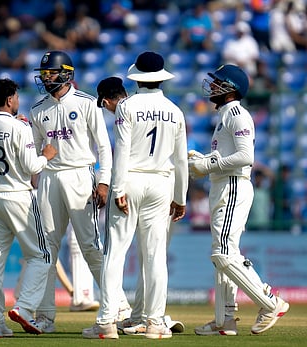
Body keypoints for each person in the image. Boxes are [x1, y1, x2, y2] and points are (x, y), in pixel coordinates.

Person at [83, 51, 188, 339]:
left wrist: (118, 189)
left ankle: (106, 322)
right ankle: (154, 323)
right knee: (155, 257)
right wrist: (181, 197)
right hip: (161, 183)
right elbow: (180, 160)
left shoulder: (127, 108)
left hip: (131, 181)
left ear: (137, 76)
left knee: (115, 253)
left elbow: (123, 151)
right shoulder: (175, 111)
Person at [189, 64, 289, 336]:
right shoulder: (224, 115)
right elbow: (224, 156)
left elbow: (246, 158)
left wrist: (207, 163)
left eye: (217, 82)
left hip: (233, 185)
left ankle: (270, 302)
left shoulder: (236, 114)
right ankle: (225, 320)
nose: (211, 86)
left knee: (223, 253)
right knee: (222, 255)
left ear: (231, 89)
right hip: (222, 186)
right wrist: (201, 160)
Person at [29, 50, 113, 333]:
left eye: (50, 73)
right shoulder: (37, 109)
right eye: (43, 74)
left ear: (66, 73)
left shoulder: (88, 103)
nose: (45, 78)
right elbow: (35, 150)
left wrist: (103, 181)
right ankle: (44, 317)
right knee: (46, 249)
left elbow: (104, 146)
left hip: (80, 175)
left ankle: (117, 307)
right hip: (50, 179)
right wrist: (33, 179)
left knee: (90, 245)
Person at [0, 78, 57, 337]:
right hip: (18, 196)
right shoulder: (20, 128)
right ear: (10, 100)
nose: (18, 100)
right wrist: (47, 155)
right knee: (42, 255)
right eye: (16, 96)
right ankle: (25, 307)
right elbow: (32, 167)